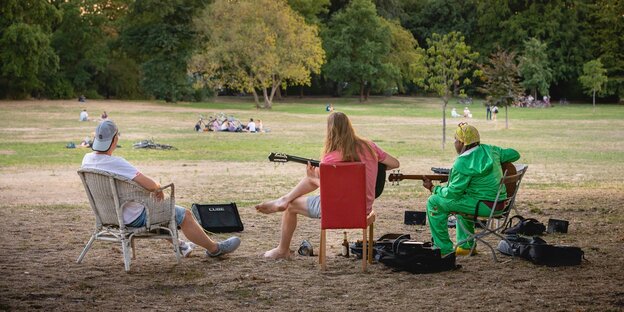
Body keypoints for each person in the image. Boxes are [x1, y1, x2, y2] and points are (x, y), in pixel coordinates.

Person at [81, 120, 241, 258]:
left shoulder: (86, 159)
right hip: (133, 218)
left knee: (158, 209)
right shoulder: (117, 163)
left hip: (107, 216)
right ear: (115, 139)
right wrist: (158, 189)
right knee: (182, 214)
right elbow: (151, 185)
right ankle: (214, 249)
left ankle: (181, 245)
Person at [255, 112, 400, 259]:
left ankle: (282, 248)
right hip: (363, 209)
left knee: (292, 204)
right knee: (315, 177)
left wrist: (313, 178)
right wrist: (376, 167)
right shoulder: (370, 147)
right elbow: (395, 163)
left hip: (335, 211)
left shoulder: (331, 157)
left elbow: (329, 192)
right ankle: (284, 199)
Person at [421, 122, 520, 257]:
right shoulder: (492, 150)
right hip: (500, 205)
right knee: (466, 197)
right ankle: (465, 246)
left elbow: (452, 194)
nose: (455, 143)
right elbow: (515, 154)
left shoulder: (461, 162)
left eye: (456, 140)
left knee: (434, 201)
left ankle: (443, 248)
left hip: (483, 206)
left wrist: (433, 188)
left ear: (463, 143)